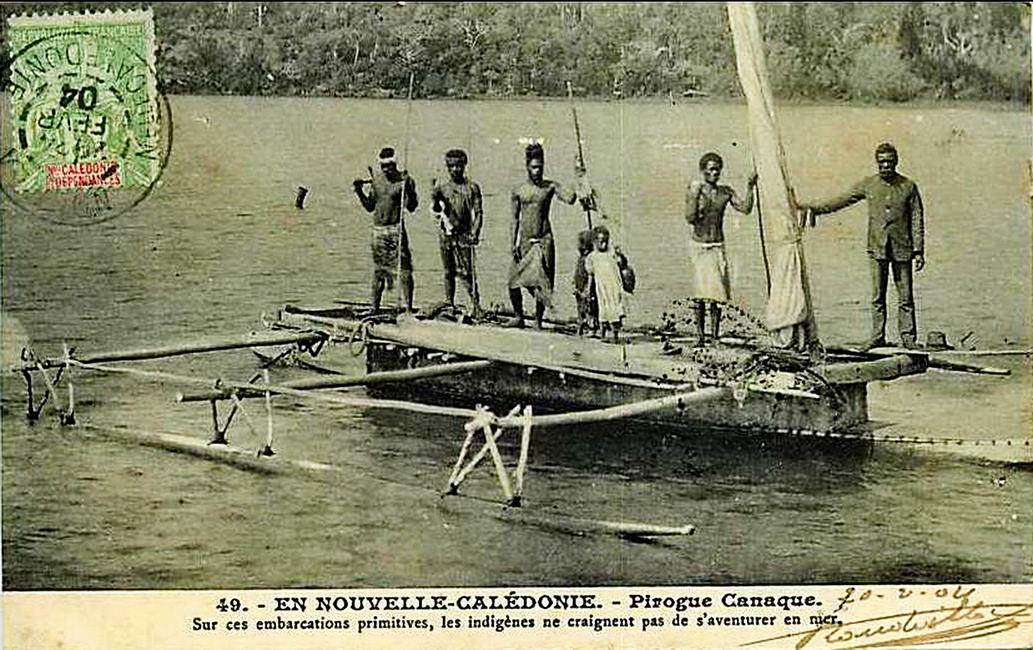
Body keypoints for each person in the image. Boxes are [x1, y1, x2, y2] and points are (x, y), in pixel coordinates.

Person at [798, 142, 925, 350]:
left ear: (896, 162)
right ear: (877, 163)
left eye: (889, 162)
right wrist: (815, 208)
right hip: (877, 248)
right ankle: (877, 337)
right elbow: (842, 200)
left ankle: (908, 338)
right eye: (882, 162)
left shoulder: (908, 186)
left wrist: (918, 251)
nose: (886, 166)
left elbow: (917, 219)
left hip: (903, 249)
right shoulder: (869, 184)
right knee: (877, 296)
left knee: (906, 297)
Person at [685, 152, 757, 345]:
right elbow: (690, 218)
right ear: (703, 171)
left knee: (717, 295)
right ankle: (700, 336)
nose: (714, 173)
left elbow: (745, 208)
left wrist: (750, 187)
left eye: (717, 169)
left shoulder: (725, 192)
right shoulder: (696, 189)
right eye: (711, 169)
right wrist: (695, 196)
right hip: (699, 246)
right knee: (700, 295)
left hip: (717, 245)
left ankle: (715, 336)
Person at [506, 143, 578, 329]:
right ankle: (519, 316)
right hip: (524, 241)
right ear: (527, 166)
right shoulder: (518, 190)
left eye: (540, 167)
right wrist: (512, 242)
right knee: (513, 280)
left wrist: (579, 176)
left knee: (543, 282)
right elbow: (514, 218)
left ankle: (538, 320)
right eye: (534, 167)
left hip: (544, 239)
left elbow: (570, 199)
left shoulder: (550, 187)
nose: (537, 171)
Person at [353, 146, 419, 313]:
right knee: (379, 270)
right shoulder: (376, 181)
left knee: (405, 269)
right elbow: (370, 207)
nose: (386, 169)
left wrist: (409, 190)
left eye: (389, 166)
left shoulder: (404, 180)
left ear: (395, 164)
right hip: (379, 230)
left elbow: (412, 207)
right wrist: (359, 192)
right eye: (383, 166)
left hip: (396, 229)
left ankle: (409, 308)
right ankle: (374, 308)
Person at [430, 149, 483, 317]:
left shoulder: (472, 188)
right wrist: (434, 197)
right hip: (446, 235)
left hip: (464, 235)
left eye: (459, 166)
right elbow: (437, 210)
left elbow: (479, 213)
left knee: (467, 273)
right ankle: (449, 303)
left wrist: (475, 232)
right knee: (448, 272)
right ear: (447, 167)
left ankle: (476, 306)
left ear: (464, 165)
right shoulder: (443, 188)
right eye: (451, 166)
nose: (455, 170)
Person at [584, 224, 625, 342]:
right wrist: (588, 289)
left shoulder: (612, 254)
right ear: (594, 242)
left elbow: (622, 265)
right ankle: (602, 334)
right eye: (601, 241)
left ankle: (615, 335)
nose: (604, 244)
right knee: (603, 309)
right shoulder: (592, 257)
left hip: (615, 287)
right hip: (602, 288)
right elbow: (591, 275)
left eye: (606, 241)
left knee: (615, 309)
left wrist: (620, 255)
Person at [573, 229, 599, 337]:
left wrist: (588, 287)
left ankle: (592, 328)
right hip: (579, 285)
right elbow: (577, 271)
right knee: (580, 307)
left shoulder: (590, 258)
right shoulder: (581, 258)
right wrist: (574, 283)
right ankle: (580, 327)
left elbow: (591, 274)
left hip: (587, 286)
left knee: (590, 307)